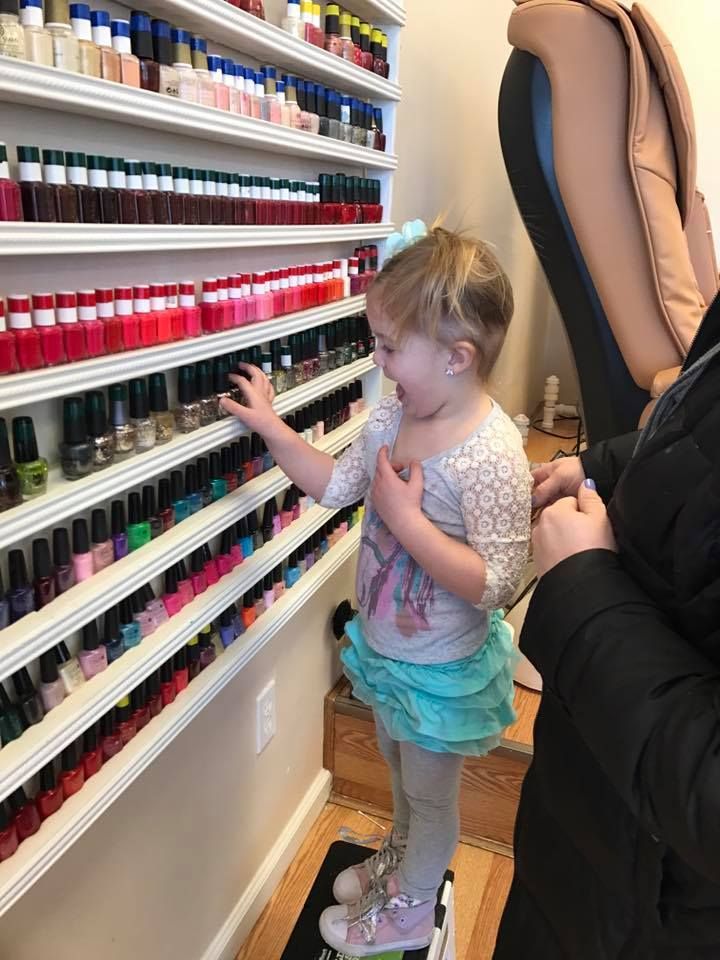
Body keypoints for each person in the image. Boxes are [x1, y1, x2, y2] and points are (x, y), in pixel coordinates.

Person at [222, 222, 532, 957]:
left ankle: (412, 907)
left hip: (440, 673)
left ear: (457, 358)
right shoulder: (394, 413)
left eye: (391, 346)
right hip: (391, 655)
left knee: (432, 795)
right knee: (398, 778)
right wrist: (272, 427)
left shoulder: (493, 456)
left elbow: (498, 582)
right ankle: (402, 860)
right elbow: (336, 483)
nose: (378, 359)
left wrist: (402, 519)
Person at [494, 293, 720, 959]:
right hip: (591, 822)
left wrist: (584, 587)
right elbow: (699, 426)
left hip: (657, 906)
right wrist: (602, 467)